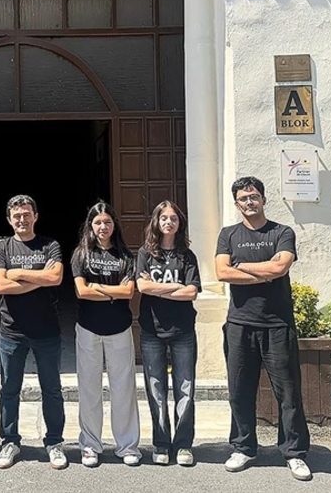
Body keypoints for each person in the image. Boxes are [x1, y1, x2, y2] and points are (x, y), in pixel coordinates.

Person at [215, 176, 312, 481]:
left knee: (288, 392)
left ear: (264, 199)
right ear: (237, 204)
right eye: (243, 198)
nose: (249, 202)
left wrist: (241, 267)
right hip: (240, 324)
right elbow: (221, 272)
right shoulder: (228, 234)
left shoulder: (282, 232)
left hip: (277, 325)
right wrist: (263, 272)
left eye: (254, 196)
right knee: (240, 391)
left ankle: (294, 453)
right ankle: (244, 447)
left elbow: (281, 266)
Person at [0, 194, 67, 470]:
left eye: (26, 214)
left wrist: (17, 274)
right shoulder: (2, 248)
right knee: (9, 389)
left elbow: (56, 277)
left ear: (35, 216)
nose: (21, 220)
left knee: (52, 389)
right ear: (9, 219)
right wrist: (38, 278)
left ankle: (55, 442)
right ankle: (9, 441)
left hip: (47, 330)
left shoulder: (51, 245)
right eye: (16, 216)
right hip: (11, 330)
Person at [71, 201, 141, 468]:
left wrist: (96, 288)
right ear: (91, 225)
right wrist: (112, 292)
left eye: (108, 222)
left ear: (114, 225)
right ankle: (90, 445)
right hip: (88, 328)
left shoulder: (125, 256)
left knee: (123, 389)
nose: (103, 227)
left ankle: (127, 445)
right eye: (98, 222)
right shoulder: (81, 254)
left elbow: (129, 292)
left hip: (119, 329)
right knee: (89, 389)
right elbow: (81, 291)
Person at [135, 200, 201, 467]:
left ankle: (183, 444)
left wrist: (159, 287)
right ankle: (161, 443)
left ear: (179, 222)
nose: (168, 222)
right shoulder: (145, 253)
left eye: (173, 218)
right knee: (156, 389)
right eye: (164, 218)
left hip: (183, 330)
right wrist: (176, 287)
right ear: (156, 222)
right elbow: (142, 287)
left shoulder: (188, 256)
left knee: (185, 388)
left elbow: (192, 291)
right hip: (152, 330)